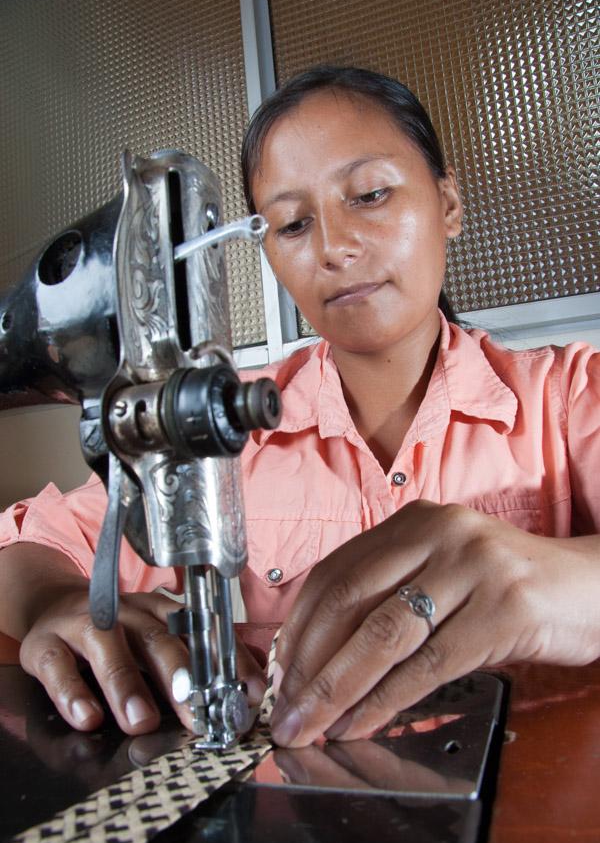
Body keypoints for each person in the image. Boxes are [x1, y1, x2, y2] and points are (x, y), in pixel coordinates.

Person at [0, 66, 598, 748]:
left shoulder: (569, 397)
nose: (333, 247)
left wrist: (535, 580)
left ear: (448, 203)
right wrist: (56, 601)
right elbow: (26, 540)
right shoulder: (225, 422)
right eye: (291, 224)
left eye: (370, 194)